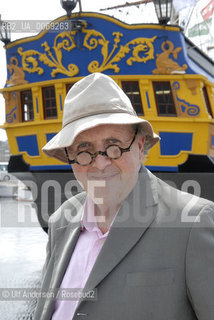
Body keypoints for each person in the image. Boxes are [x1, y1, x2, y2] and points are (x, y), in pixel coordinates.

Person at [33, 73, 214, 320]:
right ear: (69, 156)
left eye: (113, 146)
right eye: (84, 149)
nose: (100, 163)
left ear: (140, 147)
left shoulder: (193, 222)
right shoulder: (60, 221)